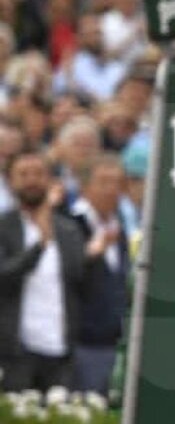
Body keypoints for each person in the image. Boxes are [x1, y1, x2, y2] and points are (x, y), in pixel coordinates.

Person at [0, 150, 102, 392]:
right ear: (10, 181)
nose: (32, 180)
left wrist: (92, 258)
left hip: (60, 350)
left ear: (50, 180)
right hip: (15, 351)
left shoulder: (68, 230)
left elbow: (81, 281)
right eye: (23, 174)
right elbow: (3, 277)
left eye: (38, 174)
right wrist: (39, 247)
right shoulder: (4, 227)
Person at [70, 154, 128, 394]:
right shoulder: (70, 224)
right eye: (104, 182)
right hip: (84, 343)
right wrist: (90, 255)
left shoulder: (120, 228)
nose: (112, 190)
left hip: (118, 341)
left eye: (117, 183)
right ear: (84, 187)